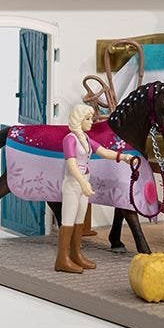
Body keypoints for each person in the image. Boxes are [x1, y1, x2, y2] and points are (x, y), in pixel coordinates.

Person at [58, 103, 126, 273]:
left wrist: (123, 157)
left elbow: (103, 151)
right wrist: (83, 183)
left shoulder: (86, 139)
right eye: (88, 119)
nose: (91, 122)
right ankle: (62, 258)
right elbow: (71, 165)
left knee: (79, 218)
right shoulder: (70, 139)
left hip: (84, 183)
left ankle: (75, 254)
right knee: (68, 219)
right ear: (79, 119)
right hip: (73, 184)